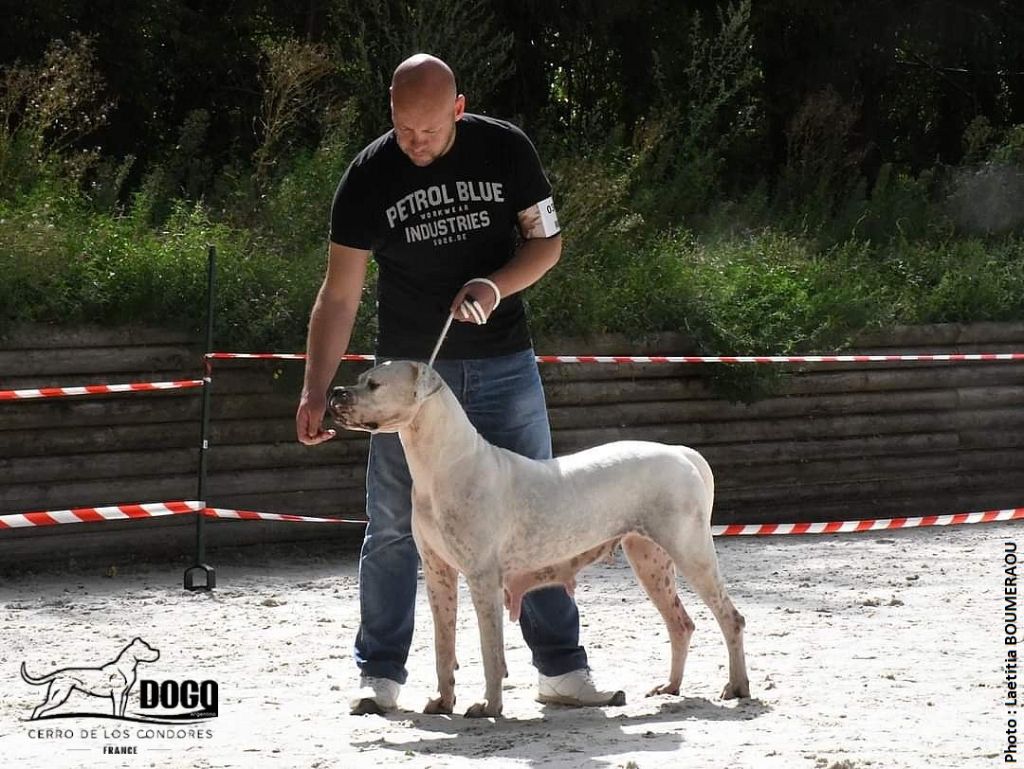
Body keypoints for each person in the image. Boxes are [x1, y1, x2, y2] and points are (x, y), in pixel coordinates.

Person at [295, 53, 623, 715]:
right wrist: (314, 388)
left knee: (546, 512)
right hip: (407, 385)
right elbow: (339, 295)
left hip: (503, 363)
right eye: (405, 129)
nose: (417, 142)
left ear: (459, 108)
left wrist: (495, 285)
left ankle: (560, 670)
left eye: (431, 130)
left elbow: (546, 244)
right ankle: (380, 675)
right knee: (392, 524)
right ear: (391, 112)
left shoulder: (506, 149)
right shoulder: (366, 177)